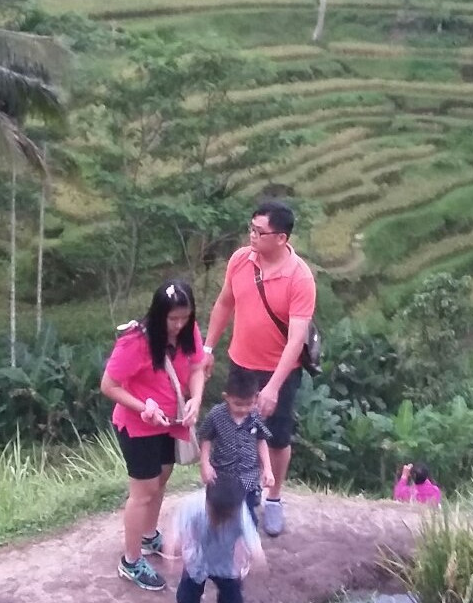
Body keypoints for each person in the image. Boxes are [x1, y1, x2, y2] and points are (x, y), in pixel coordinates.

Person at [203, 200, 316, 537]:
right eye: (250, 228)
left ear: (281, 238)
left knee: (277, 437)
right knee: (235, 428)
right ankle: (236, 493)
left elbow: (296, 340)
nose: (251, 236)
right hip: (240, 362)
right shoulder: (240, 260)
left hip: (278, 371)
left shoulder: (300, 278)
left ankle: (274, 498)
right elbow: (225, 302)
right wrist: (209, 347)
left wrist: (273, 387)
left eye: (259, 231)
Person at [101, 280, 206, 592]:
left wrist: (195, 400)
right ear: (158, 315)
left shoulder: (190, 331)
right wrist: (142, 405)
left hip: (170, 421)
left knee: (161, 479)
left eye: (184, 318)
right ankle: (131, 561)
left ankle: (148, 537)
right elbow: (109, 385)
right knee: (143, 491)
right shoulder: (135, 342)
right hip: (138, 425)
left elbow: (198, 368)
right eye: (172, 319)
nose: (178, 325)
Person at [170, 473, 266, 603]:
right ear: (207, 502)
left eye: (226, 516)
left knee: (232, 598)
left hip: (225, 560)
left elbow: (251, 536)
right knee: (187, 597)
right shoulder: (193, 505)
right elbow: (176, 532)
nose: (221, 520)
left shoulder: (239, 510)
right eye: (217, 514)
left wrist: (257, 557)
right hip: (196, 557)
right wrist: (174, 551)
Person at [198, 369, 274, 526]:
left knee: (248, 517)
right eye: (238, 404)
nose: (244, 409)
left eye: (249, 404)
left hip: (248, 478)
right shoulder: (216, 415)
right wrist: (205, 464)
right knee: (217, 518)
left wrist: (267, 468)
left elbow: (261, 440)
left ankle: (247, 545)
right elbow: (205, 437)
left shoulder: (256, 415)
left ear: (256, 397)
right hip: (221, 478)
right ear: (226, 397)